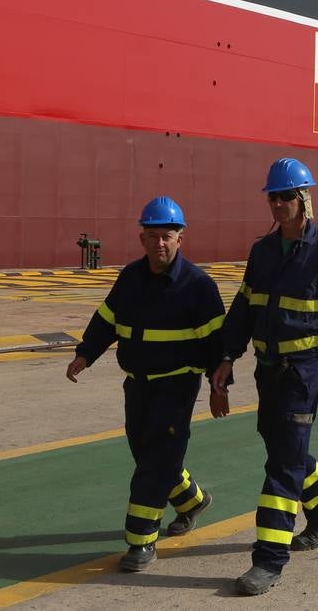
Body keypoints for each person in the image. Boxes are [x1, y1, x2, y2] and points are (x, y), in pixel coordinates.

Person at [210, 158, 318, 596]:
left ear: (304, 199)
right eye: (272, 197)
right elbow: (244, 308)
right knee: (285, 448)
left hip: (303, 372)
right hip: (267, 370)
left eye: (286, 196)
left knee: (282, 464)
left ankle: (269, 561)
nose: (278, 204)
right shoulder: (262, 251)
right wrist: (226, 356)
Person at [66, 196, 228, 573]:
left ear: (180, 238)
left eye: (167, 236)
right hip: (137, 386)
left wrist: (220, 388)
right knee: (146, 452)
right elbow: (106, 318)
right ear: (142, 239)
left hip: (176, 387)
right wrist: (85, 354)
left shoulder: (198, 286)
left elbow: (216, 345)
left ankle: (141, 540)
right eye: (152, 236)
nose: (159, 244)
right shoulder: (130, 278)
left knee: (154, 464)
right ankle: (191, 501)